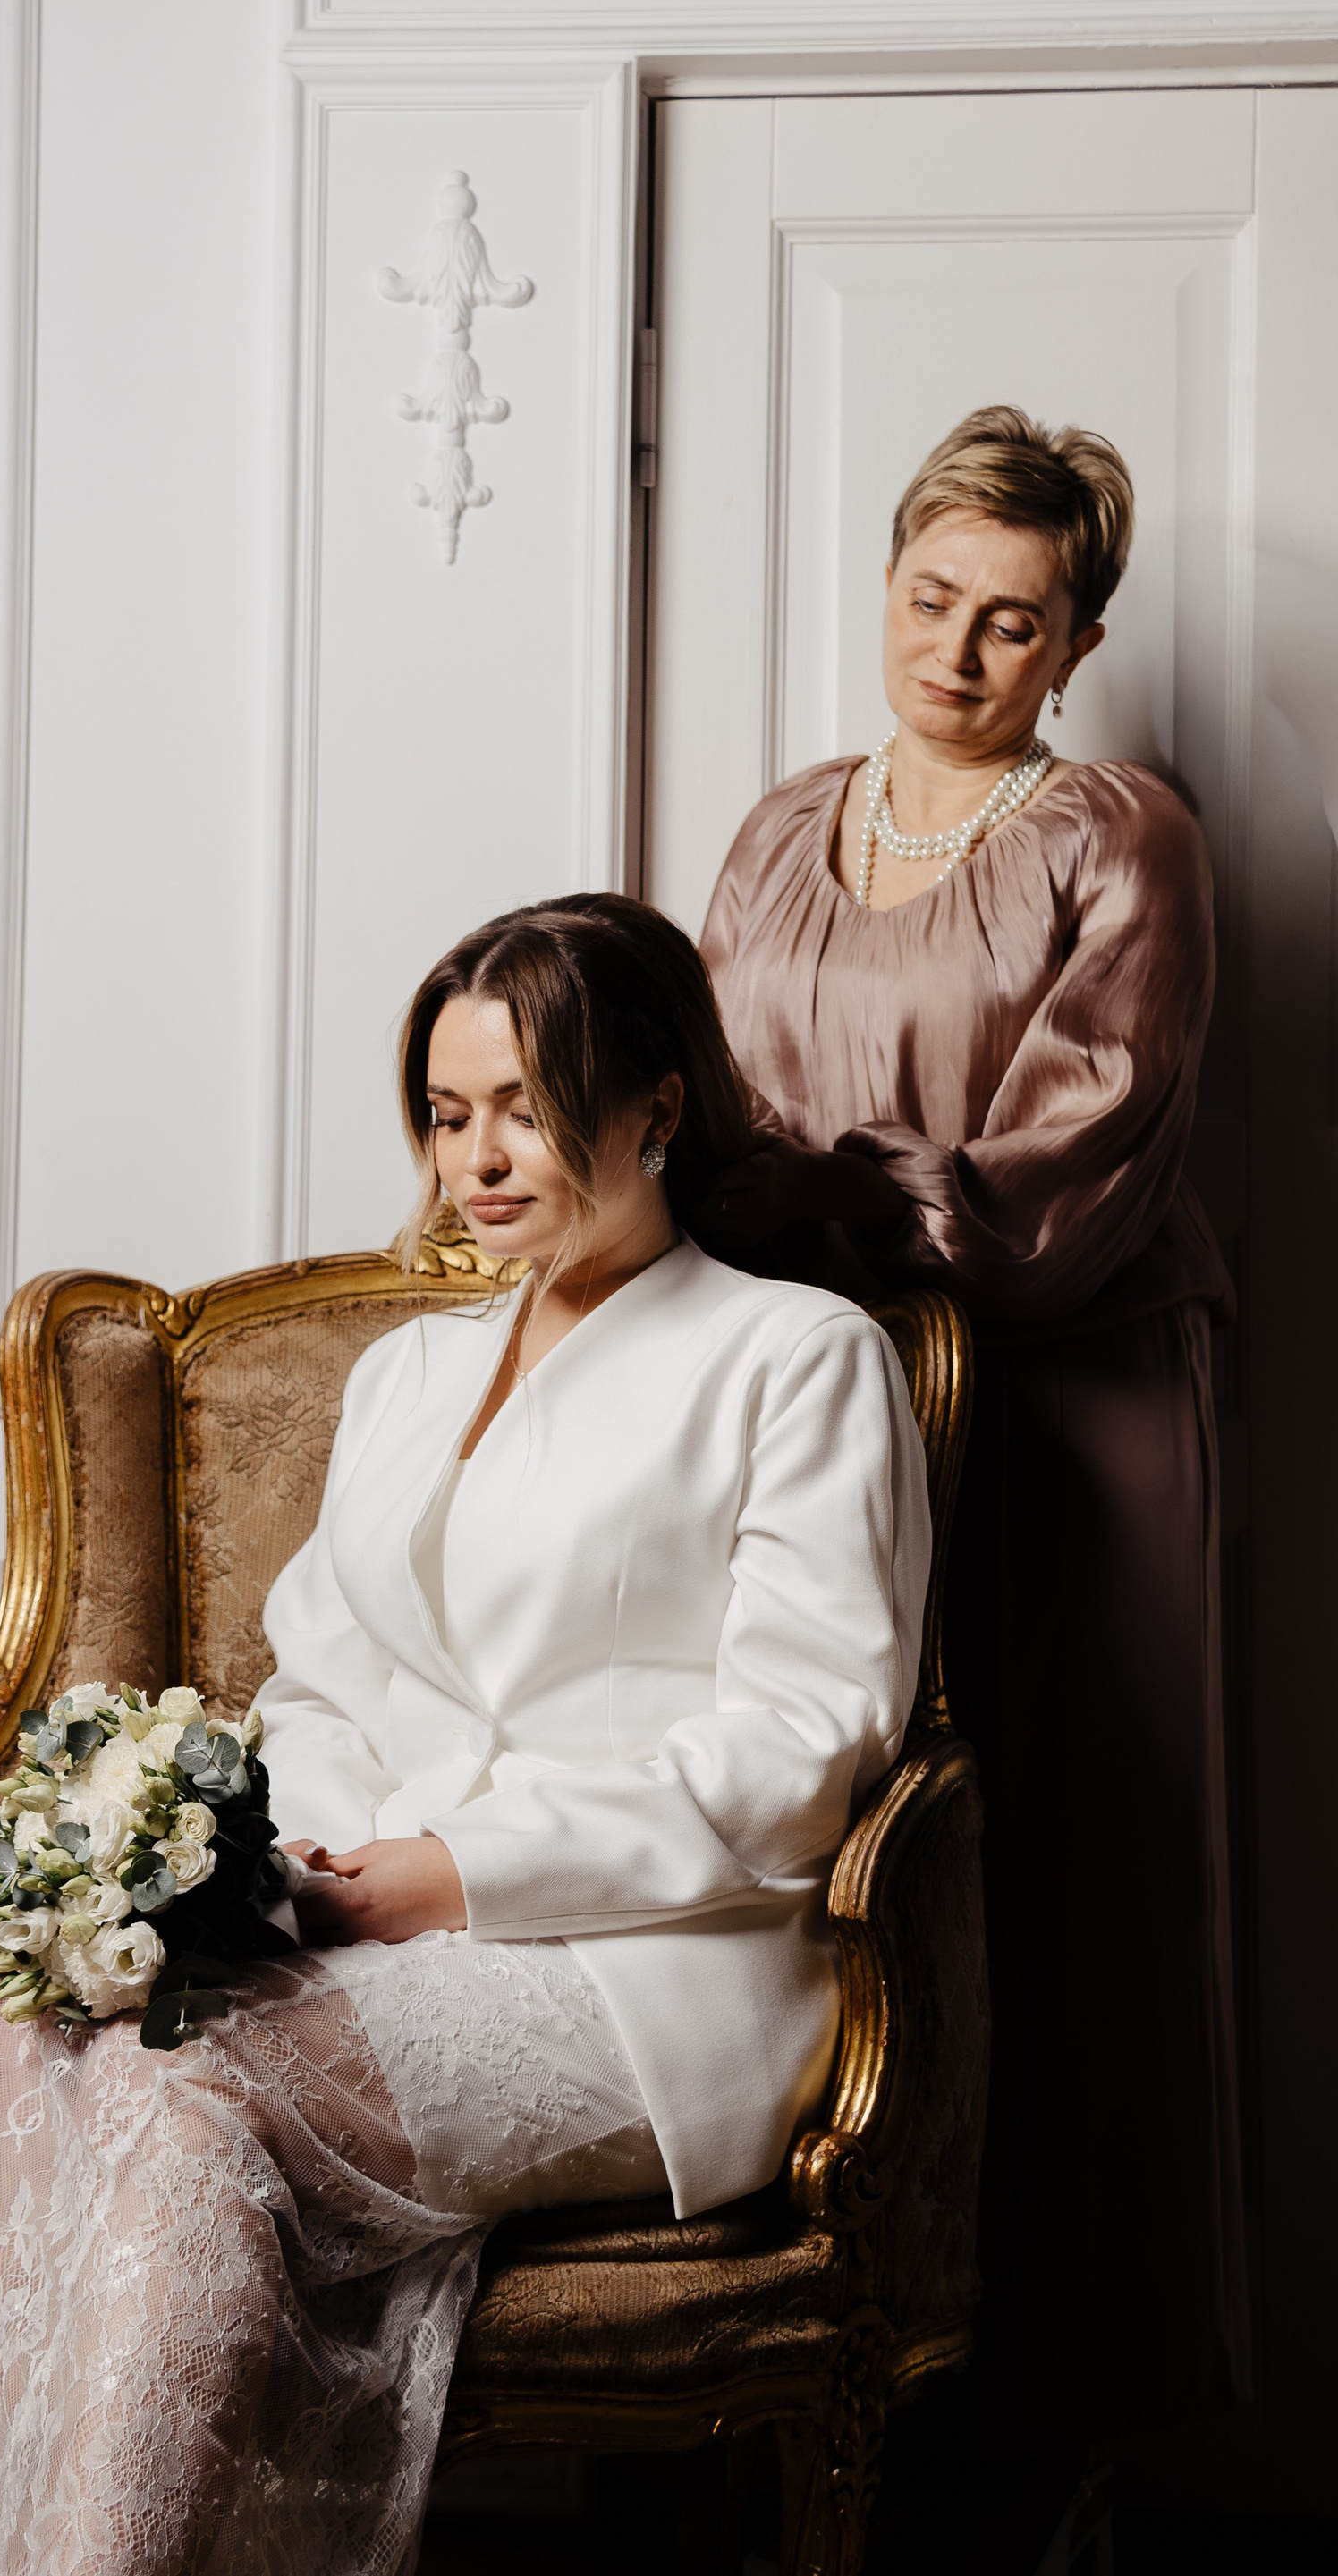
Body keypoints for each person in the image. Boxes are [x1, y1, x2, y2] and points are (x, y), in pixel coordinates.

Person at [0, 894, 930, 2576]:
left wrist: (457, 1870)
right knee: (35, 2023)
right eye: (445, 1112)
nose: (474, 1159)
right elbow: (324, 1686)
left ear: (657, 1103)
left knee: (175, 2082)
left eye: (525, 1108)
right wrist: (282, 1864)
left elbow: (808, 1745)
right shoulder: (408, 1373)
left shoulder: (796, 1355)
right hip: (369, 1920)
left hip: (650, 1968)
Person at [694, 408, 1250, 2489]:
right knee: (826, 1852)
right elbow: (712, 1117)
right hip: (820, 1391)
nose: (955, 651)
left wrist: (821, 1193)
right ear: (888, 584)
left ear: (1076, 644)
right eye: (931, 599)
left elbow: (1077, 1165)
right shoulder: (778, 831)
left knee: (1069, 1870)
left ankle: (1051, 2448)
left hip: (1076, 1393)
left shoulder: (1126, 835)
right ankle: (816, 2395)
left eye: (1011, 622)